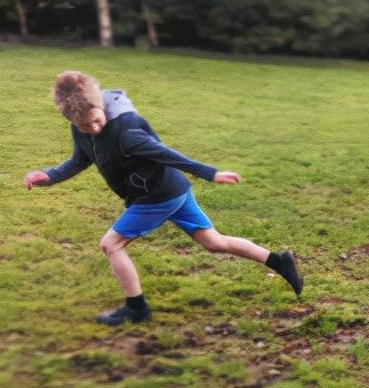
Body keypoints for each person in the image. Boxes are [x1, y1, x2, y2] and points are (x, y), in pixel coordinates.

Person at [23, 70, 302, 326]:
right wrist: (48, 177)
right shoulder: (80, 127)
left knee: (111, 245)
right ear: (72, 120)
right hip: (172, 190)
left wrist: (209, 173)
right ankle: (279, 261)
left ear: (101, 105)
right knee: (213, 242)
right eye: (84, 126)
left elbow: (165, 153)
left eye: (96, 121)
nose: (93, 129)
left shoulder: (127, 129)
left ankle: (137, 308)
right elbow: (79, 160)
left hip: (157, 196)